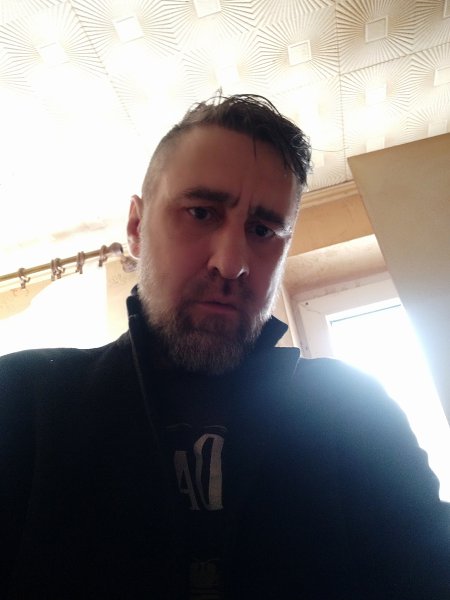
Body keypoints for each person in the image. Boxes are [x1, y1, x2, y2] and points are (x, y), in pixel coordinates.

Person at [1, 93, 449, 600]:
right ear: (136, 228)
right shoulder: (21, 400)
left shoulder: (356, 410)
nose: (232, 263)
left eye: (262, 229)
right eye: (201, 212)